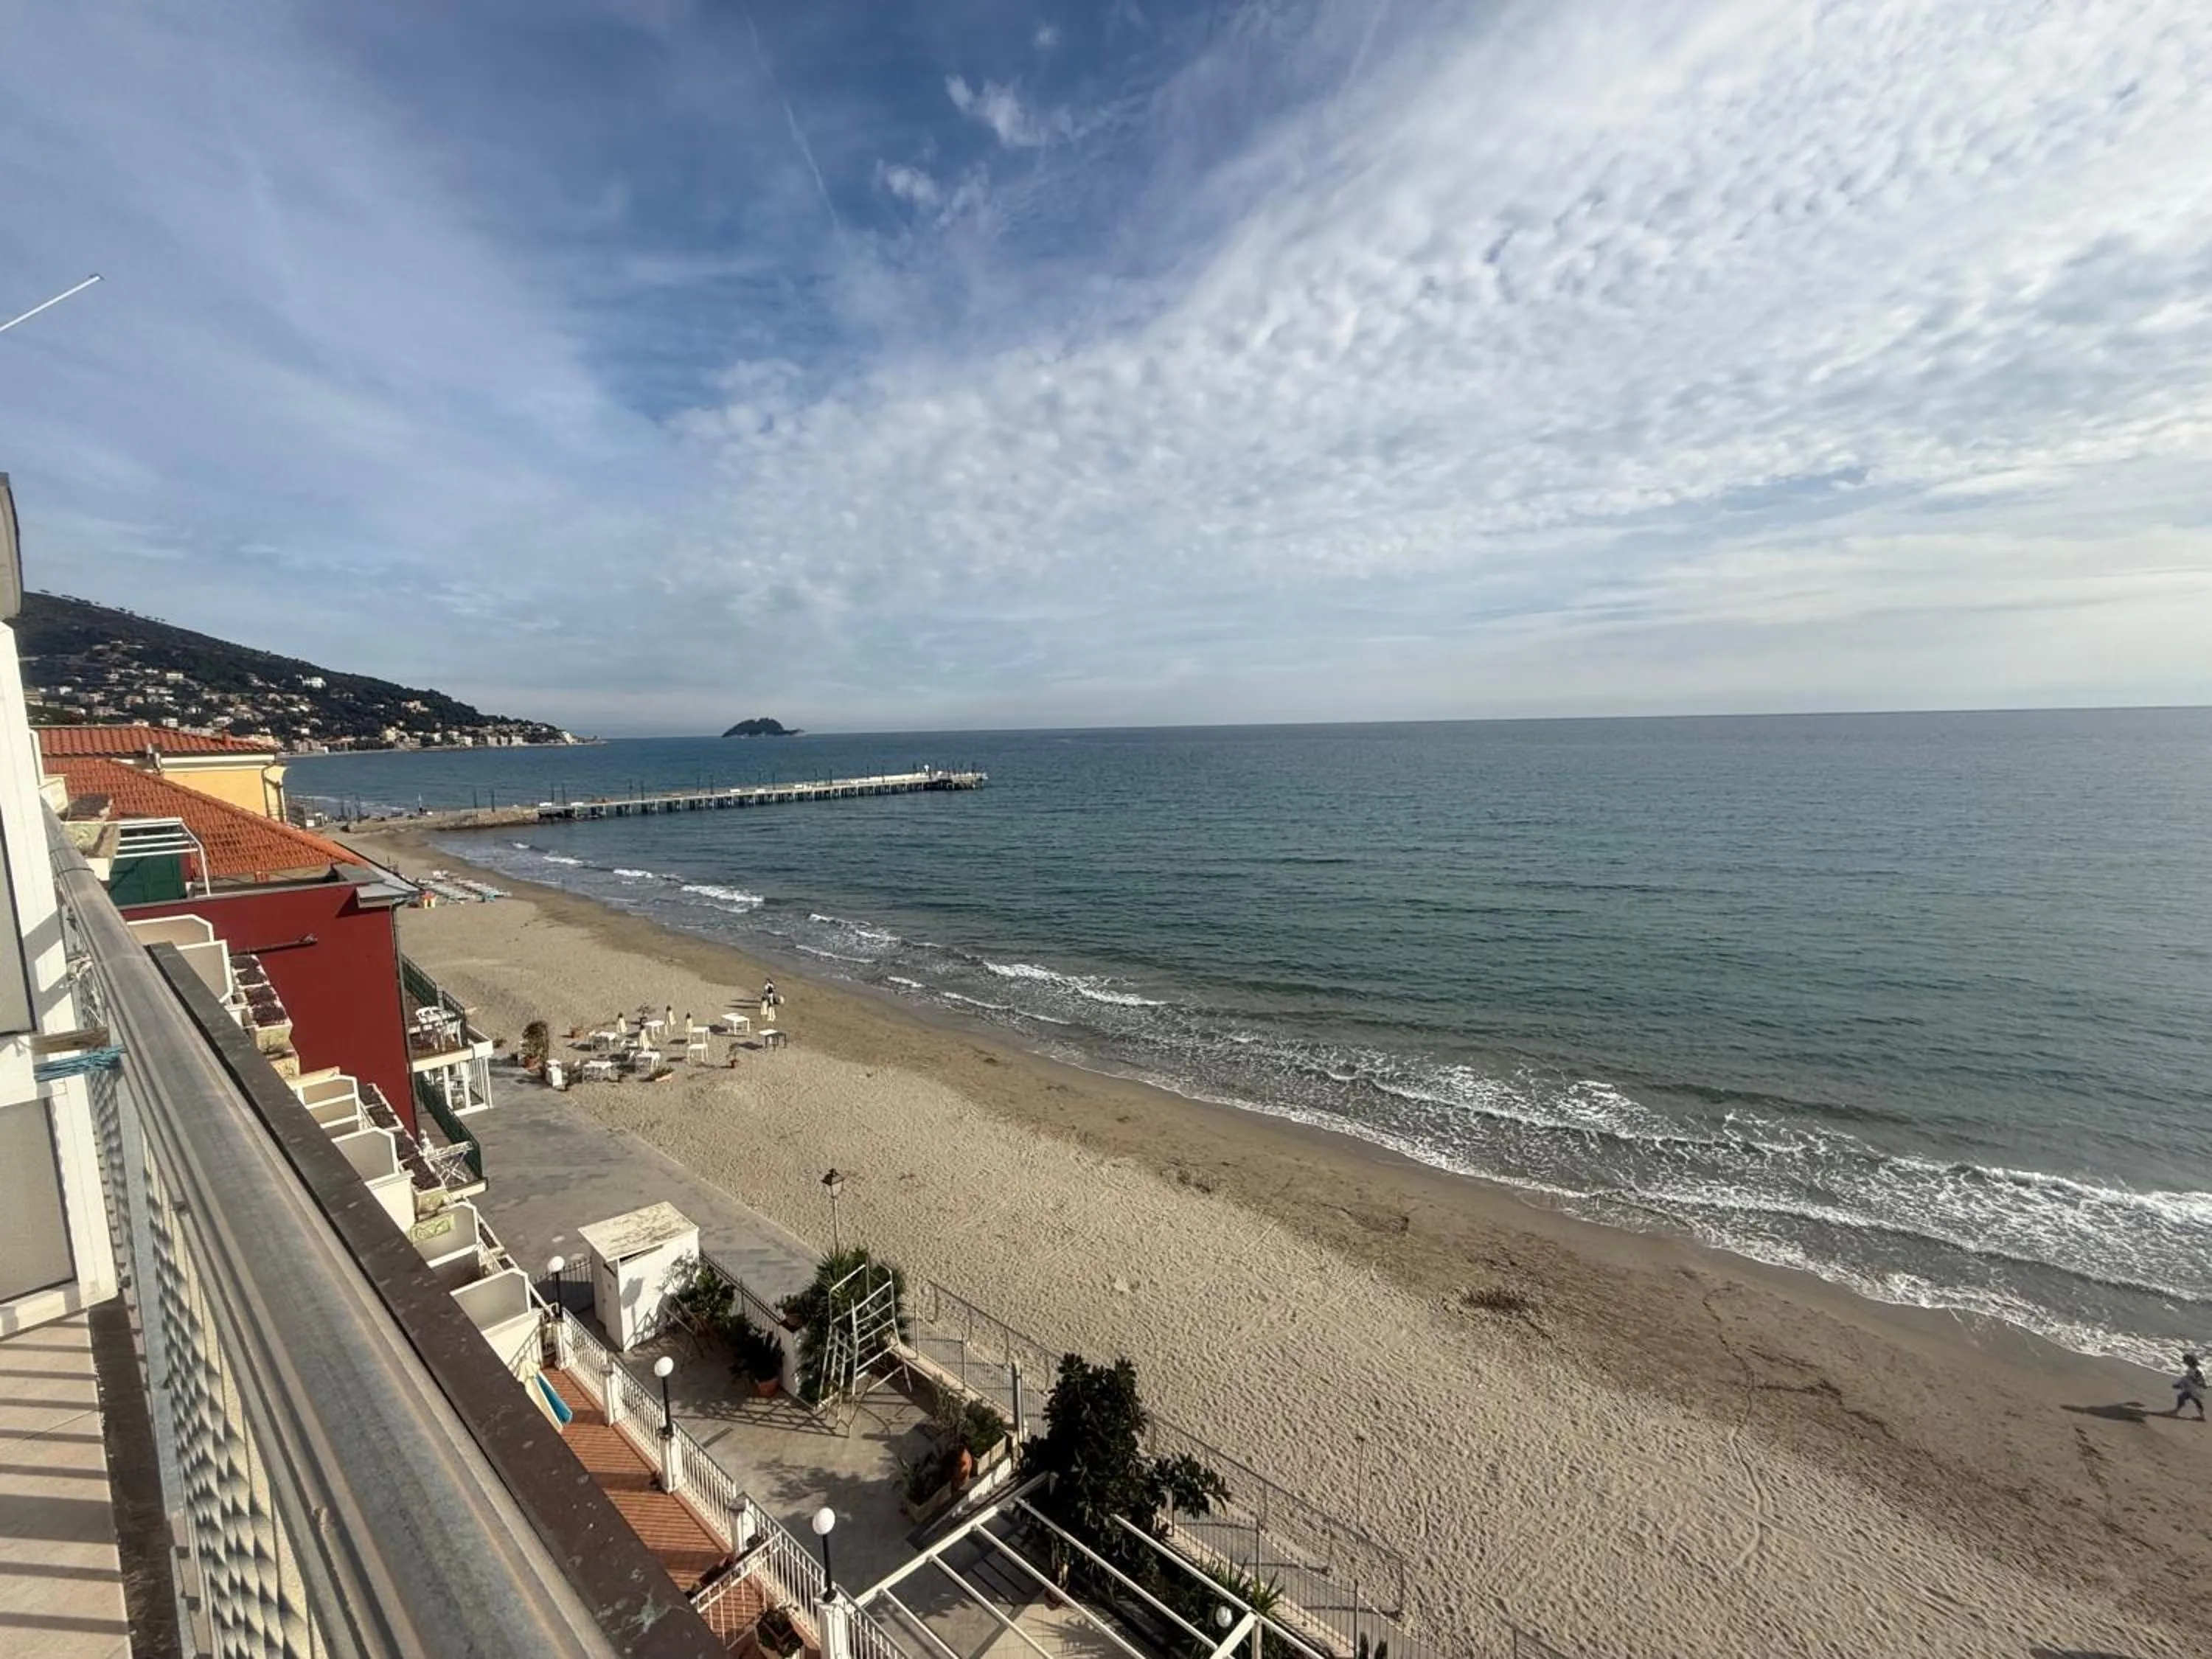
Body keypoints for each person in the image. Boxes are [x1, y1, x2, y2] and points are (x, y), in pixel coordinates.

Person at [2174, 1353, 2206, 1421]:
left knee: (2192, 1400)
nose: (2185, 1362)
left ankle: (2176, 1411)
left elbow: (2201, 1380)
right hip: (2190, 1389)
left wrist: (2202, 1384)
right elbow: (2187, 1378)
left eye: (2186, 1361)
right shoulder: (2190, 1369)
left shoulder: (2197, 1371)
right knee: (2184, 1398)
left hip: (2195, 1390)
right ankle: (2202, 1416)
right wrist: (2180, 1384)